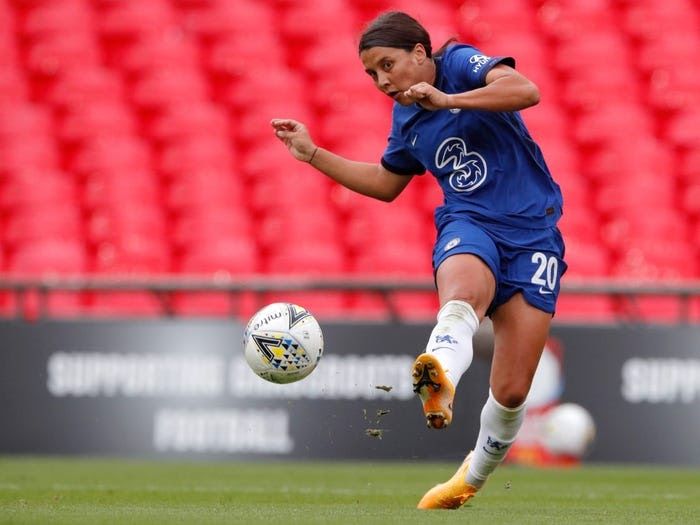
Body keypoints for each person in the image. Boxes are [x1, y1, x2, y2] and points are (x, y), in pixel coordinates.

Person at [271, 11, 566, 510]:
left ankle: (468, 479)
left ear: (420, 53)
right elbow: (387, 183)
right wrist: (312, 153)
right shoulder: (406, 119)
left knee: (513, 392)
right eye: (372, 74)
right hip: (470, 222)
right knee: (462, 295)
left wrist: (448, 100)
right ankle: (440, 377)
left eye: (388, 64)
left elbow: (526, 90)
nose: (383, 80)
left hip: (534, 234)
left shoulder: (459, 64)